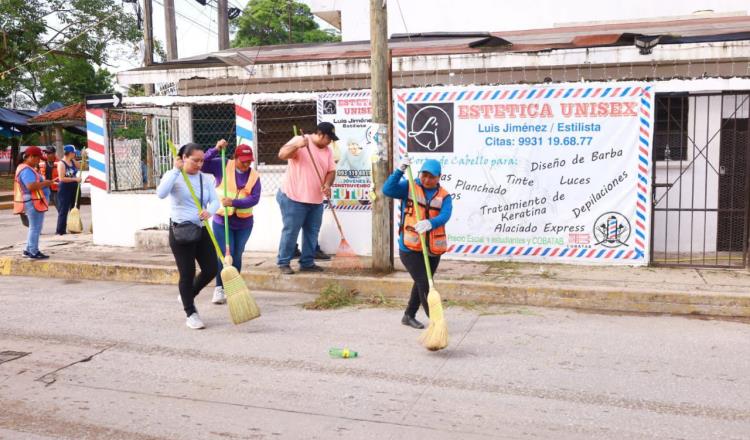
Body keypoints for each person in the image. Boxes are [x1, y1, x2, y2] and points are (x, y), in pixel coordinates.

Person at [382, 157, 453, 329]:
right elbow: (387, 190)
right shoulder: (409, 187)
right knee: (424, 282)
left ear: (439, 177)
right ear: (420, 173)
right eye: (424, 175)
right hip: (409, 247)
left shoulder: (444, 195)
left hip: (431, 249)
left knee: (420, 281)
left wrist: (431, 223)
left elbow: (446, 215)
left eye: (432, 177)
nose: (427, 179)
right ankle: (436, 321)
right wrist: (399, 171)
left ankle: (408, 315)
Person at [157, 143, 220, 329]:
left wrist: (209, 212)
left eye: (202, 161)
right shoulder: (174, 176)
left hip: (201, 229)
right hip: (181, 231)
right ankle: (191, 313)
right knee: (187, 273)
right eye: (195, 160)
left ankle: (188, 294)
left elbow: (215, 200)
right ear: (184, 158)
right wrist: (176, 171)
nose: (199, 164)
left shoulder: (204, 179)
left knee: (210, 269)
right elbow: (161, 194)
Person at [201, 140, 261, 304]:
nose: (247, 164)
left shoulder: (254, 176)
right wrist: (215, 149)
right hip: (222, 220)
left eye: (249, 161)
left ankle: (233, 289)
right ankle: (219, 289)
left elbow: (254, 199)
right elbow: (202, 164)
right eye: (243, 161)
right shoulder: (222, 164)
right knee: (224, 254)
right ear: (235, 158)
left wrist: (234, 203)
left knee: (236, 255)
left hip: (244, 223)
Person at [276, 122, 338, 274]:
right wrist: (297, 146)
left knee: (312, 232)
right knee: (291, 231)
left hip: (315, 200)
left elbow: (331, 171)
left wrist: (327, 184)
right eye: (329, 138)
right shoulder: (300, 139)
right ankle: (283, 262)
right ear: (321, 135)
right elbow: (282, 154)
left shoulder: (328, 151)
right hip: (293, 197)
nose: (330, 142)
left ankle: (307, 263)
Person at [13, 146, 54, 259]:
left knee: (34, 227)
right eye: (37, 158)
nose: (39, 161)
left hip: (32, 200)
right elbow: (30, 186)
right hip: (33, 201)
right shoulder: (26, 169)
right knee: (36, 227)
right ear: (30, 157)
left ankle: (28, 250)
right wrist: (46, 183)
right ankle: (33, 251)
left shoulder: (25, 167)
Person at [55, 145, 81, 235]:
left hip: (74, 186)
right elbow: (61, 178)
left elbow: (80, 166)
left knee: (75, 207)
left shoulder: (72, 161)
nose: (75, 154)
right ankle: (60, 230)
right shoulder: (61, 163)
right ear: (70, 153)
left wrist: (73, 159)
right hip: (65, 188)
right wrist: (74, 179)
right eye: (74, 153)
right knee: (64, 209)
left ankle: (73, 227)